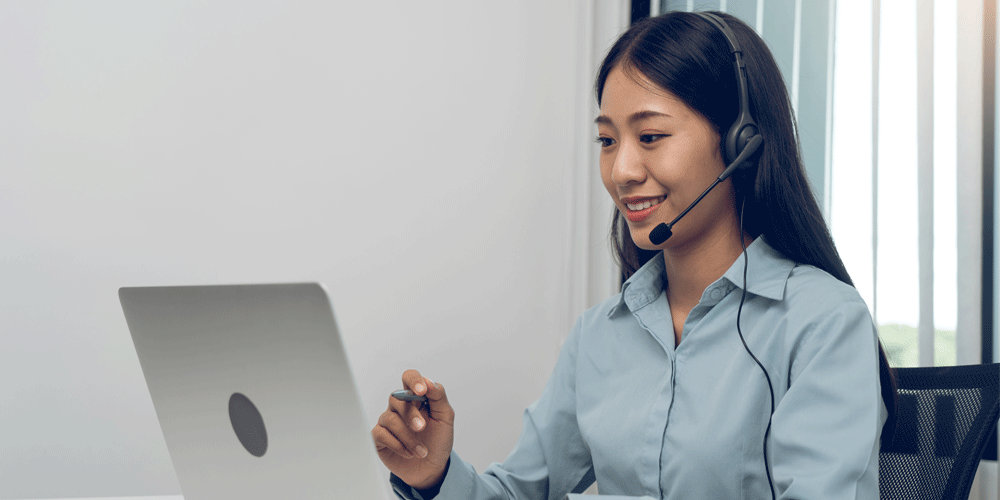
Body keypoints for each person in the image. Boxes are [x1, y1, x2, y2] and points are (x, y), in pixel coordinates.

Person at [371, 11, 896, 500]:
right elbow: (519, 491)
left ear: (741, 143)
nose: (621, 170)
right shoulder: (599, 336)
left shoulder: (821, 322)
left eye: (650, 136)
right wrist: (435, 475)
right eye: (606, 140)